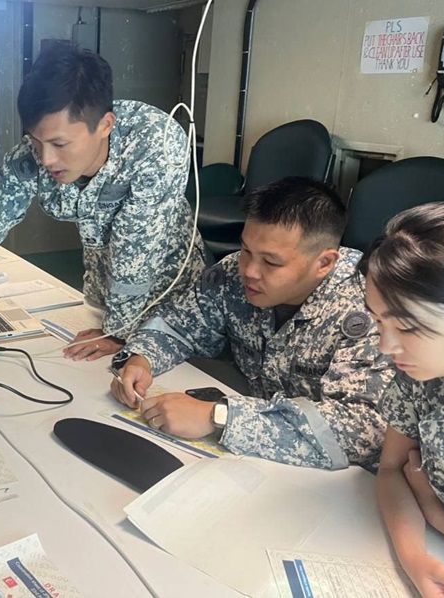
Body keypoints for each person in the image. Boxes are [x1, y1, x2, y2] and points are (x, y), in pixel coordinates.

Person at [0, 41, 206, 360]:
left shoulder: (156, 142)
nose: (46, 158)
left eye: (59, 143)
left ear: (105, 125)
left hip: (174, 306)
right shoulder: (34, 154)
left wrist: (119, 332)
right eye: (36, 140)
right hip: (107, 299)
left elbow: (138, 252)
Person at [111, 177, 393, 470]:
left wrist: (219, 418)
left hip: (341, 485)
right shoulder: (233, 273)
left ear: (324, 263)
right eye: (246, 250)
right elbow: (177, 325)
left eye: (271, 262)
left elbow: (361, 432)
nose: (249, 271)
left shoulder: (371, 306)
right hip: (256, 463)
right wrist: (141, 359)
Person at [360, 202, 444, 598]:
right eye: (379, 322)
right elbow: (392, 469)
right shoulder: (422, 375)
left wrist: (436, 515)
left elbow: (415, 487)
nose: (385, 346)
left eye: (407, 326)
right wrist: (414, 558)